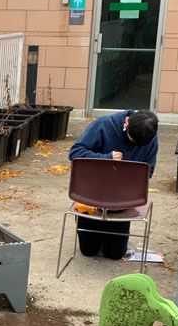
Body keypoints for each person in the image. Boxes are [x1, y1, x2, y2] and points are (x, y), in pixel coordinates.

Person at [68, 109, 159, 260]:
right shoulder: (103, 125)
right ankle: (87, 226)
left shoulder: (150, 137)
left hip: (122, 201)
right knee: (88, 251)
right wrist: (106, 158)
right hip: (93, 197)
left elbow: (148, 171)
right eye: (131, 140)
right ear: (126, 122)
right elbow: (75, 153)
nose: (133, 145)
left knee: (115, 254)